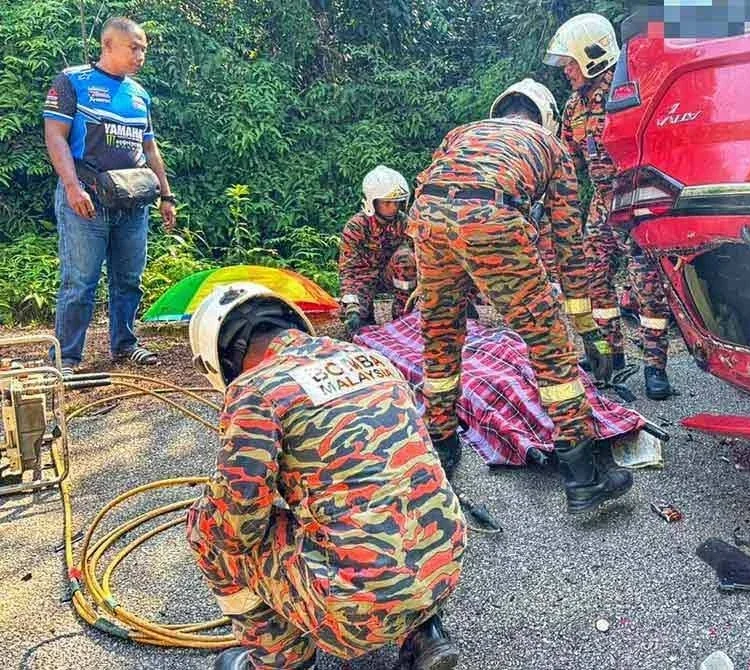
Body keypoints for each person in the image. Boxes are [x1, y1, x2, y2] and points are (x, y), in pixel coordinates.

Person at [185, 282, 466, 670]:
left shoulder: (255, 390)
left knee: (208, 531)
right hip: (443, 568)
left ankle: (282, 659)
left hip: (360, 605)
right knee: (393, 494)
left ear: (222, 359)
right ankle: (423, 631)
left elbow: (236, 529)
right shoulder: (370, 359)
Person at [408, 78, 633, 514]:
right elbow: (568, 245)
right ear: (546, 118)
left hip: (427, 220)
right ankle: (584, 476)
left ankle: (441, 442)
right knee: (548, 345)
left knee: (440, 333)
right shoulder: (552, 148)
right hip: (492, 217)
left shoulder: (463, 132)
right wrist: (585, 326)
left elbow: (434, 188)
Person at [544, 13, 677, 400]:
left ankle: (655, 367)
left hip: (635, 204)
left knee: (647, 287)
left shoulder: (630, 92)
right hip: (601, 208)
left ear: (592, 56)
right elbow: (567, 162)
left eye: (570, 62)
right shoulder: (573, 108)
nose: (566, 70)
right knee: (594, 281)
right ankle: (610, 355)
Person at [42, 17, 176, 374]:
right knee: (80, 282)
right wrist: (72, 186)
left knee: (129, 279)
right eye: (134, 47)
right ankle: (66, 358)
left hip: (133, 201)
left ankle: (125, 344)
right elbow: (55, 136)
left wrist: (166, 196)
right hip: (86, 198)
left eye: (144, 49)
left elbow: (150, 148)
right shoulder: (72, 81)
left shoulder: (139, 95)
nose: (140, 55)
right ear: (108, 45)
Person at [338, 165, 417, 339]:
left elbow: (423, 254)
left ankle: (404, 316)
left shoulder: (405, 223)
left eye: (396, 202)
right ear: (372, 202)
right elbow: (348, 270)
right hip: (363, 281)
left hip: (393, 281)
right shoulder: (356, 226)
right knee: (354, 317)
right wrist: (351, 304)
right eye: (386, 202)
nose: (393, 207)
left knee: (405, 258)